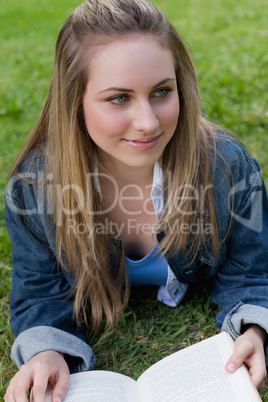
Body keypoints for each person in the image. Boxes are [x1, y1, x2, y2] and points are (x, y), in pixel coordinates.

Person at [4, 0, 268, 400]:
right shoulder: (34, 188)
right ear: (75, 102)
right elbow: (39, 290)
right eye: (118, 98)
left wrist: (254, 328)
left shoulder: (227, 168)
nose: (148, 121)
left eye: (162, 92)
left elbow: (252, 270)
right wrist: (47, 350)